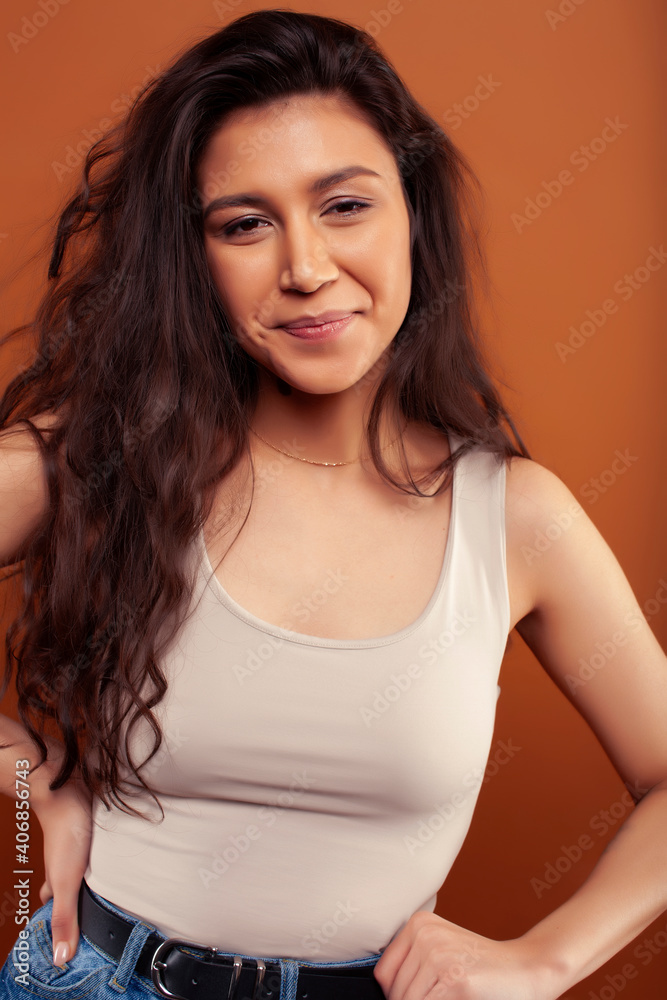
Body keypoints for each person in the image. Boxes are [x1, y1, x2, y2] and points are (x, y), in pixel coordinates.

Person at [0, 9, 665, 1000]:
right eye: (244, 224)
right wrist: (32, 775)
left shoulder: (514, 518)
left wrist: (542, 960)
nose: (306, 268)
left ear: (413, 216)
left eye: (345, 205)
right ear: (194, 258)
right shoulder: (103, 455)